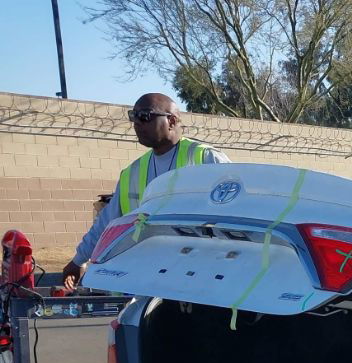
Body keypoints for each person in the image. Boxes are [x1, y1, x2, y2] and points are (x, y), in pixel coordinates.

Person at [62, 93, 230, 289]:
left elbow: (238, 214)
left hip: (201, 276)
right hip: (151, 277)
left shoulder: (206, 158)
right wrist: (78, 260)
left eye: (145, 116)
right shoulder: (132, 173)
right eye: (133, 116)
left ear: (172, 120)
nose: (137, 123)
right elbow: (107, 223)